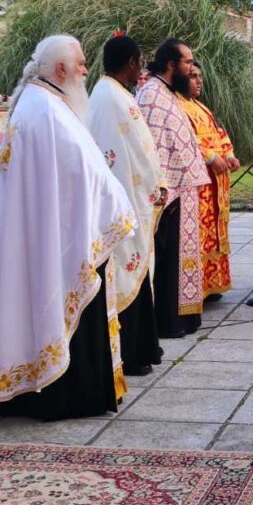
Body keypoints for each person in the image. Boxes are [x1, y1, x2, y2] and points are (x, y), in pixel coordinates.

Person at [0, 35, 136, 421]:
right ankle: (66, 394)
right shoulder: (45, 110)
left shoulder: (42, 103)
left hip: (51, 230)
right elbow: (79, 173)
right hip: (60, 235)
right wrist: (115, 204)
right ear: (61, 68)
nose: (85, 70)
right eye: (80, 63)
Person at [88, 33, 168, 375]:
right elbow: (122, 156)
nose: (142, 69)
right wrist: (154, 187)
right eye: (140, 62)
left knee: (137, 271)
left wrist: (156, 183)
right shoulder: (111, 98)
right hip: (127, 201)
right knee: (126, 271)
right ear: (132, 61)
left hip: (135, 196)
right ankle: (131, 354)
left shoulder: (114, 93)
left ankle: (140, 349)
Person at [136, 37, 209, 335]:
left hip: (183, 190)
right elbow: (153, 149)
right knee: (168, 264)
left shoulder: (166, 93)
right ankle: (169, 321)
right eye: (188, 62)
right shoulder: (152, 95)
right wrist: (164, 191)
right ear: (171, 65)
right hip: (170, 194)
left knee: (179, 262)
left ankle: (183, 318)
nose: (192, 68)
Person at [178, 60, 239, 301]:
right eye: (193, 76)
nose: (199, 81)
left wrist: (229, 155)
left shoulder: (201, 107)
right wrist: (212, 157)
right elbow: (187, 140)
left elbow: (220, 133)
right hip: (200, 182)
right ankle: (198, 286)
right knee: (200, 233)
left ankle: (214, 283)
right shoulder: (177, 107)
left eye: (199, 76)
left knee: (215, 230)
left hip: (217, 181)